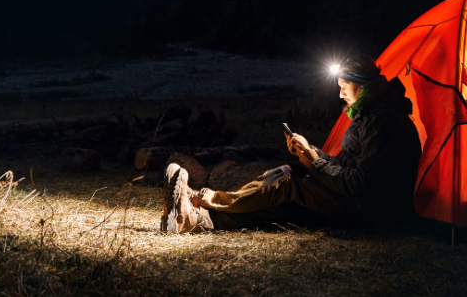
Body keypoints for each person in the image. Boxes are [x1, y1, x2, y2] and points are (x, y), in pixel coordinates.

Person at [161, 54, 423, 233]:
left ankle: (201, 203)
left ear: (362, 85)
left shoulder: (383, 122)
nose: (340, 93)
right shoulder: (369, 112)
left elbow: (358, 184)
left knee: (289, 187)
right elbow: (349, 166)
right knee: (286, 172)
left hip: (371, 211)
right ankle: (197, 214)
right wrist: (311, 152)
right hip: (359, 201)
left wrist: (317, 163)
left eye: (344, 86)